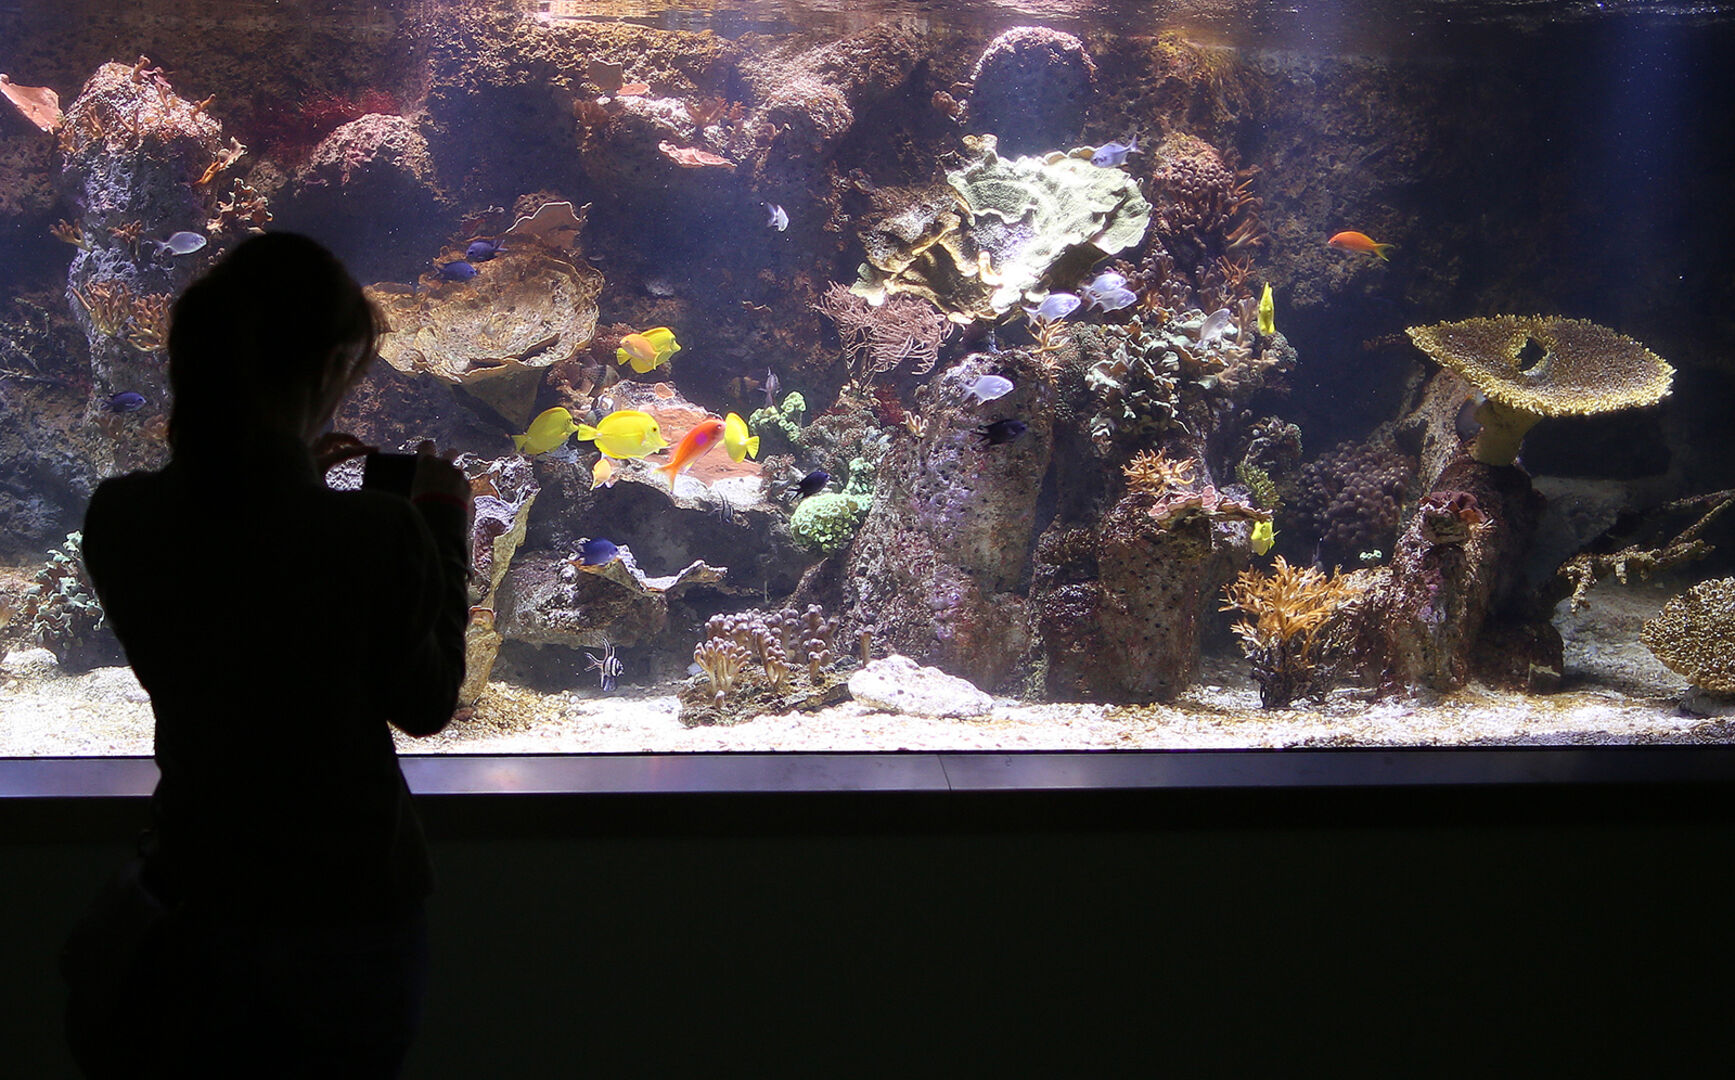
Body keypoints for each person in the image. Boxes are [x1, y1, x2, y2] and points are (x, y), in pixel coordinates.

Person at [64, 232, 470, 1076]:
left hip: (196, 899)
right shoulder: (377, 532)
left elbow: (246, 578)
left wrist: (300, 487)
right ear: (329, 368)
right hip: (348, 914)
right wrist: (439, 530)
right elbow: (425, 701)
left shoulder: (120, 518)